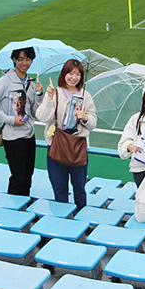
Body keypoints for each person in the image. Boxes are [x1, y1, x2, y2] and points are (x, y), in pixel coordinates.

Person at [36, 59, 97, 207]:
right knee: (59, 189)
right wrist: (49, 98)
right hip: (57, 146)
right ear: (64, 74)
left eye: (77, 74)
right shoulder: (55, 93)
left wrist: (85, 117)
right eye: (70, 73)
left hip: (77, 148)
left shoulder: (86, 95)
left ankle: (80, 217)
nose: (73, 77)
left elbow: (93, 124)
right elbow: (42, 117)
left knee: (79, 189)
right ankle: (62, 218)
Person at [0, 47, 43, 196]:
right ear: (14, 60)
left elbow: (35, 112)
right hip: (13, 137)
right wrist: (10, 119)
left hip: (29, 135)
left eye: (28, 59)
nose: (24, 63)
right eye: (21, 59)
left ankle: (24, 204)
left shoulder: (31, 82)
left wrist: (39, 95)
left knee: (28, 176)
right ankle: (14, 208)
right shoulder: (4, 81)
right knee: (18, 177)